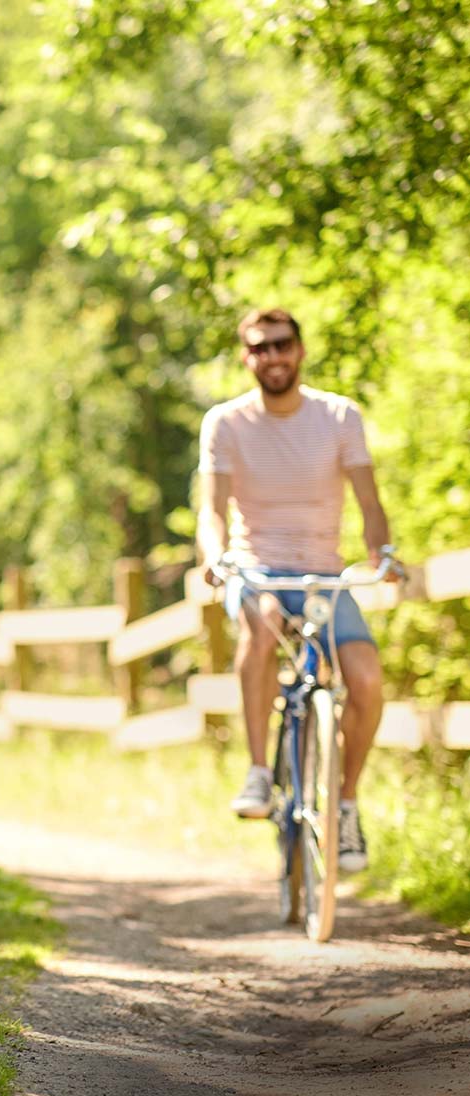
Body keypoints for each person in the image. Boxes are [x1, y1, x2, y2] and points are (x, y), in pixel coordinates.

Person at [197, 307, 394, 873]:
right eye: (260, 348)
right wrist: (216, 558)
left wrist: (382, 553)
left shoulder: (338, 416)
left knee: (366, 678)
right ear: (246, 358)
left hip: (325, 576)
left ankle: (348, 806)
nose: (273, 357)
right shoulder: (226, 422)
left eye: (282, 345)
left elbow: (370, 505)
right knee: (259, 627)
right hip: (257, 568)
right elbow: (212, 512)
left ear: (300, 350)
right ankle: (260, 771)